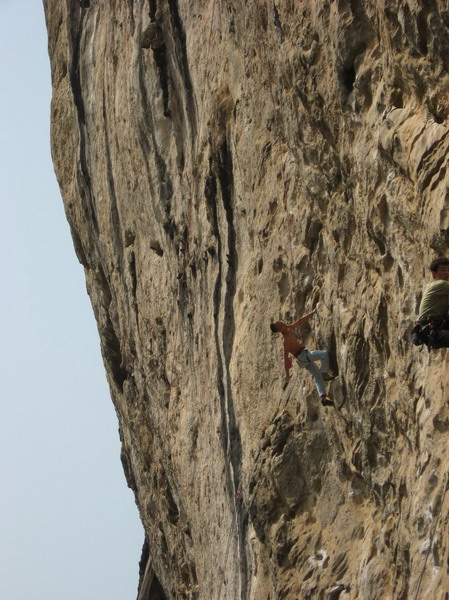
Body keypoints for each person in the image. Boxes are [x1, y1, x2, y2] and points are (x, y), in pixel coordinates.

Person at [270, 310, 336, 406]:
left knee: (317, 376)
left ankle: (323, 399)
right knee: (324, 354)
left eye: (280, 322)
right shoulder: (285, 340)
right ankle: (324, 373)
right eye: (279, 324)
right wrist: (287, 375)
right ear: (280, 328)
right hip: (302, 357)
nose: (281, 322)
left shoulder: (288, 328)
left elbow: (300, 321)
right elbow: (285, 357)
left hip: (302, 358)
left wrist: (313, 312)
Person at [416, 256, 449, 348]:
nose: (447, 273)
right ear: (434, 274)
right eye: (443, 270)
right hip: (432, 331)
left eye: (448, 270)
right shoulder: (440, 285)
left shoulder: (437, 286)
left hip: (438, 326)